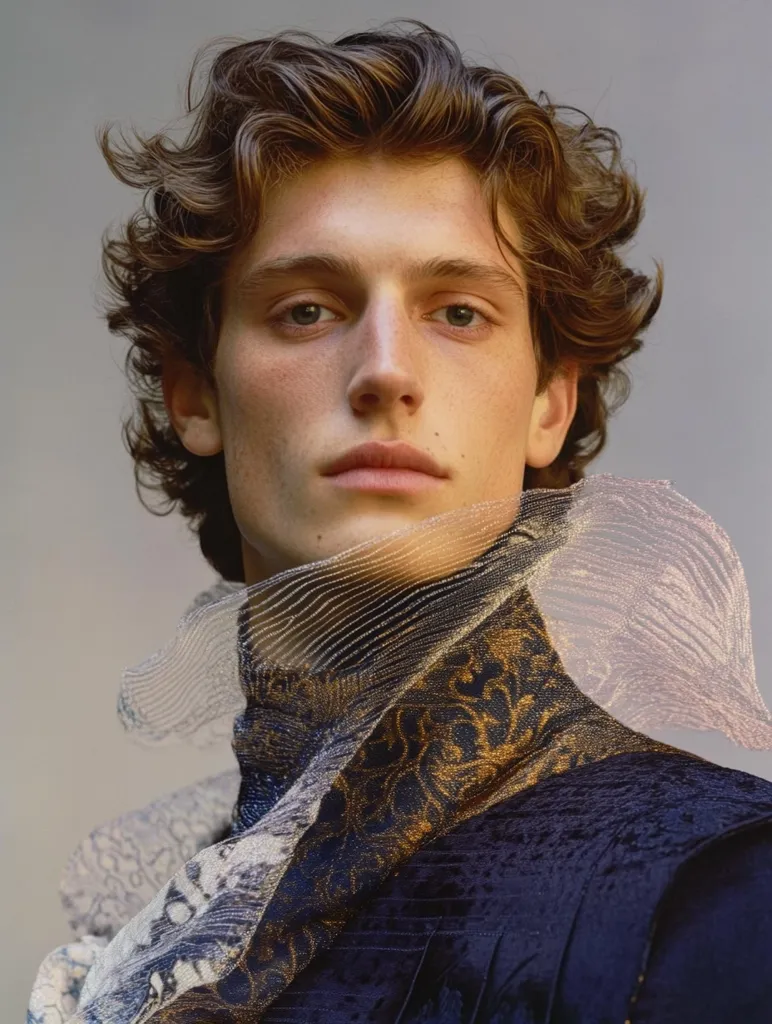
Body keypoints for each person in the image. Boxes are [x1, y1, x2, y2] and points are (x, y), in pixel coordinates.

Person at [28, 19, 772, 1024]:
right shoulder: (149, 957)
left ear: (549, 401)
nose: (384, 369)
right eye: (306, 308)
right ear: (194, 394)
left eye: (457, 312)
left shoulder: (729, 897)